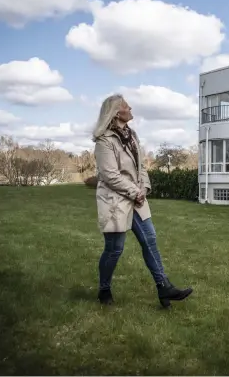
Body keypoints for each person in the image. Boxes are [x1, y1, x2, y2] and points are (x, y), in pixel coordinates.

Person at [92, 94, 192, 308]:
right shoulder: (104, 141)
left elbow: (141, 167)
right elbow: (110, 175)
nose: (130, 107)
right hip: (116, 200)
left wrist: (144, 188)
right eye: (126, 105)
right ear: (117, 112)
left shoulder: (132, 136)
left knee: (150, 239)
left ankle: (163, 288)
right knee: (115, 249)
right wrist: (134, 191)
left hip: (136, 198)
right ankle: (104, 289)